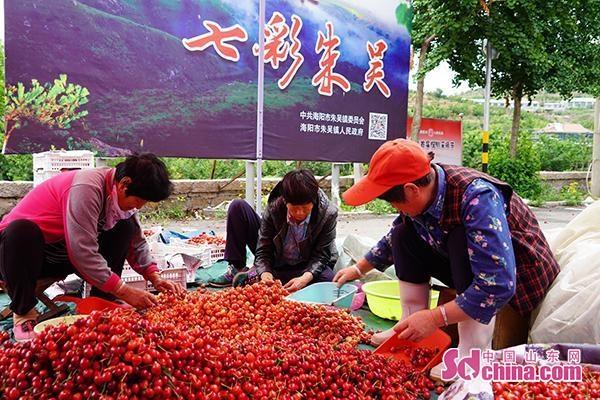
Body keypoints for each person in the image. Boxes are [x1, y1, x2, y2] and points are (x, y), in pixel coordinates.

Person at [334, 139, 559, 355]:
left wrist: (435, 318)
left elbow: (497, 284)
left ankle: (472, 350)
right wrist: (358, 269)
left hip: (516, 277)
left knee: (460, 238)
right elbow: (393, 239)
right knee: (403, 233)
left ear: (412, 190)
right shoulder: (425, 188)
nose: (396, 208)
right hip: (466, 264)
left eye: (395, 202)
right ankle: (408, 324)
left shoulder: (478, 197)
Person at [0, 153, 186, 341]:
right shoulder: (87, 188)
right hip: (21, 259)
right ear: (124, 184)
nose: (139, 206)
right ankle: (24, 313)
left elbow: (136, 241)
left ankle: (103, 300)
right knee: (20, 230)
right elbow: (82, 252)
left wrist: (154, 276)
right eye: (139, 201)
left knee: (125, 226)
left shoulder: (118, 196)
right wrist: (124, 290)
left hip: (63, 253)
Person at [208, 169, 338, 292]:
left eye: (305, 208)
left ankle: (254, 275)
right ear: (285, 201)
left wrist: (304, 279)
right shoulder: (275, 207)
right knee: (237, 206)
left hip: (306, 264)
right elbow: (263, 248)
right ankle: (242, 269)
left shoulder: (328, 214)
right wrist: (265, 273)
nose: (299, 213)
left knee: (328, 281)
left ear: (313, 202)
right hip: (277, 259)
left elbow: (321, 255)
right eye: (294, 208)